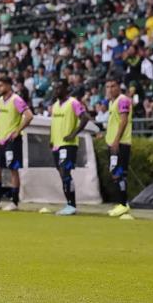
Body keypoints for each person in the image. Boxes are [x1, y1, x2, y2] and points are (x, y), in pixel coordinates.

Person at [0, 75, 32, 211]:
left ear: (8, 85)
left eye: (0, 85)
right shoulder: (0, 101)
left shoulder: (16, 99)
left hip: (13, 140)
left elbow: (29, 115)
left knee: (13, 170)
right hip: (2, 141)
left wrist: (18, 130)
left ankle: (14, 202)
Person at [50, 82, 90, 216]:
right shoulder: (55, 105)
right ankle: (69, 204)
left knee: (65, 172)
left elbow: (85, 118)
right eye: (55, 88)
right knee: (62, 174)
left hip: (68, 144)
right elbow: (54, 124)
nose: (56, 90)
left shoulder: (73, 102)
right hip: (56, 144)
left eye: (58, 88)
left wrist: (73, 134)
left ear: (66, 89)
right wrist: (51, 140)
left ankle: (71, 205)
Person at [103, 79, 133, 218]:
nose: (110, 89)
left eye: (113, 86)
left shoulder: (122, 100)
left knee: (119, 172)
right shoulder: (111, 102)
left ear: (119, 87)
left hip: (120, 143)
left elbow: (124, 120)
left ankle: (123, 204)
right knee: (115, 172)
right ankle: (122, 203)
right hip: (113, 143)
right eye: (108, 86)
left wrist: (116, 140)